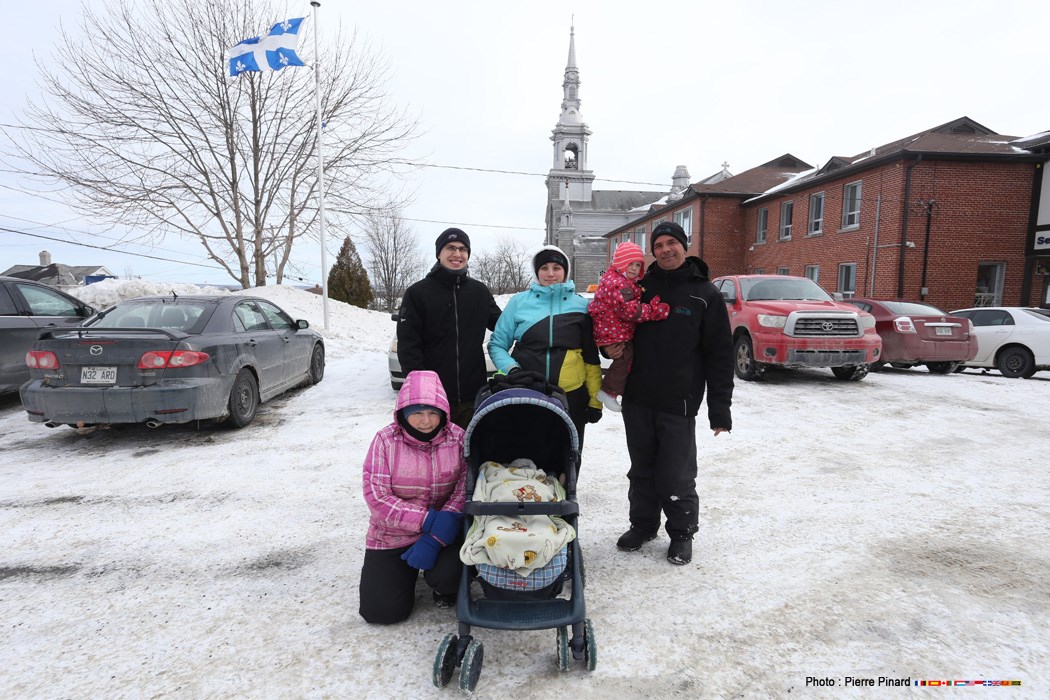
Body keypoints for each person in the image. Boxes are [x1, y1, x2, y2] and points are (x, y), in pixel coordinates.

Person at [613, 222, 734, 566]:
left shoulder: (704, 294)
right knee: (641, 470)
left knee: (676, 473)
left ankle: (681, 534)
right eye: (659, 245)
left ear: (685, 246)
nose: (665, 249)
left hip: (679, 402)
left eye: (672, 243)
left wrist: (719, 410)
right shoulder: (640, 287)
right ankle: (643, 525)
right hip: (637, 398)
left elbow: (720, 356)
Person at [359, 370, 467, 624]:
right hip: (393, 534)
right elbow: (376, 496)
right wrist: (426, 520)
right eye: (417, 412)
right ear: (403, 412)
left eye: (433, 412)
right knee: (382, 612)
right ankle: (401, 575)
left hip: (444, 532)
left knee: (449, 576)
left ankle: (441, 586)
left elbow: (465, 486)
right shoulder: (385, 441)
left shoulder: (458, 438)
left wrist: (438, 533)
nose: (426, 421)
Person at [488, 245, 603, 455]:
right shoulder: (519, 302)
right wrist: (513, 371)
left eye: (556, 267)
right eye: (544, 268)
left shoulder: (582, 306)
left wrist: (595, 400)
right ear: (536, 272)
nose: (550, 273)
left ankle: (567, 489)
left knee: (568, 458)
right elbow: (497, 345)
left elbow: (590, 357)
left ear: (565, 271)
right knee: (527, 455)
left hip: (571, 397)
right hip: (527, 392)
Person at [397, 228, 502, 429]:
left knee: (470, 453)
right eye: (451, 248)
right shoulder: (418, 293)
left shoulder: (479, 292)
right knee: (433, 455)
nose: (457, 254)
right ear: (439, 253)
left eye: (463, 249)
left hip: (473, 396)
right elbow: (408, 345)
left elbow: (503, 326)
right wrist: (422, 389)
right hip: (432, 398)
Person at [587, 241, 670, 412]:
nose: (633, 268)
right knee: (625, 358)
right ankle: (608, 391)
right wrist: (654, 310)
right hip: (612, 331)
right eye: (629, 264)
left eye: (637, 265)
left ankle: (614, 390)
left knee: (626, 358)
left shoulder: (620, 280)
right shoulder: (619, 283)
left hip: (611, 329)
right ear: (619, 264)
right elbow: (630, 311)